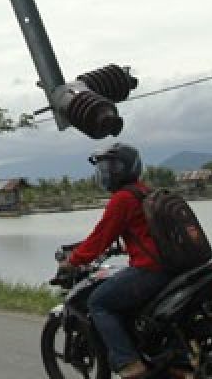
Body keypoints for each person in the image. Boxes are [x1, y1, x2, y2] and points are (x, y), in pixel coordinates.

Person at [60, 143, 169, 379]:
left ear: (128, 168)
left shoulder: (123, 198)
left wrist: (73, 261)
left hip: (151, 270)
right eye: (105, 167)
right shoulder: (147, 191)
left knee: (99, 303)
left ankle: (129, 363)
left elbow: (100, 237)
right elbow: (145, 232)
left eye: (112, 167)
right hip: (173, 266)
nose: (107, 173)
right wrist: (122, 246)